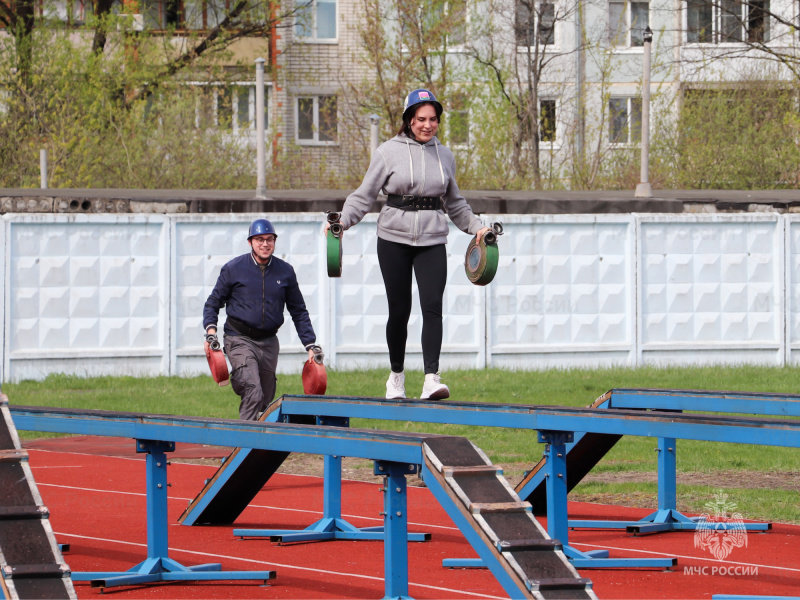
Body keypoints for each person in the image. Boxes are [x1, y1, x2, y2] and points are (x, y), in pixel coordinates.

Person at [327, 88, 490, 401]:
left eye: (433, 120)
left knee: (432, 307)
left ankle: (431, 379)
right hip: (393, 238)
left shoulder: (445, 156)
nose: (427, 125)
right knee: (399, 310)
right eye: (421, 119)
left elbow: (455, 203)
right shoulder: (388, 152)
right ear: (408, 120)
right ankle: (396, 377)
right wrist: (341, 222)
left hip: (432, 238)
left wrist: (478, 228)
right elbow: (364, 195)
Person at [203, 219, 318, 420]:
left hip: (269, 342)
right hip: (239, 338)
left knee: (265, 399)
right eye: (259, 240)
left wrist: (310, 345)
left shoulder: (286, 271)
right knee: (252, 388)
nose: (265, 244)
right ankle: (245, 442)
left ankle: (261, 446)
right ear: (250, 242)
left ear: (274, 241)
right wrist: (210, 333)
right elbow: (213, 303)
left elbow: (298, 311)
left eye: (269, 239)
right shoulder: (234, 269)